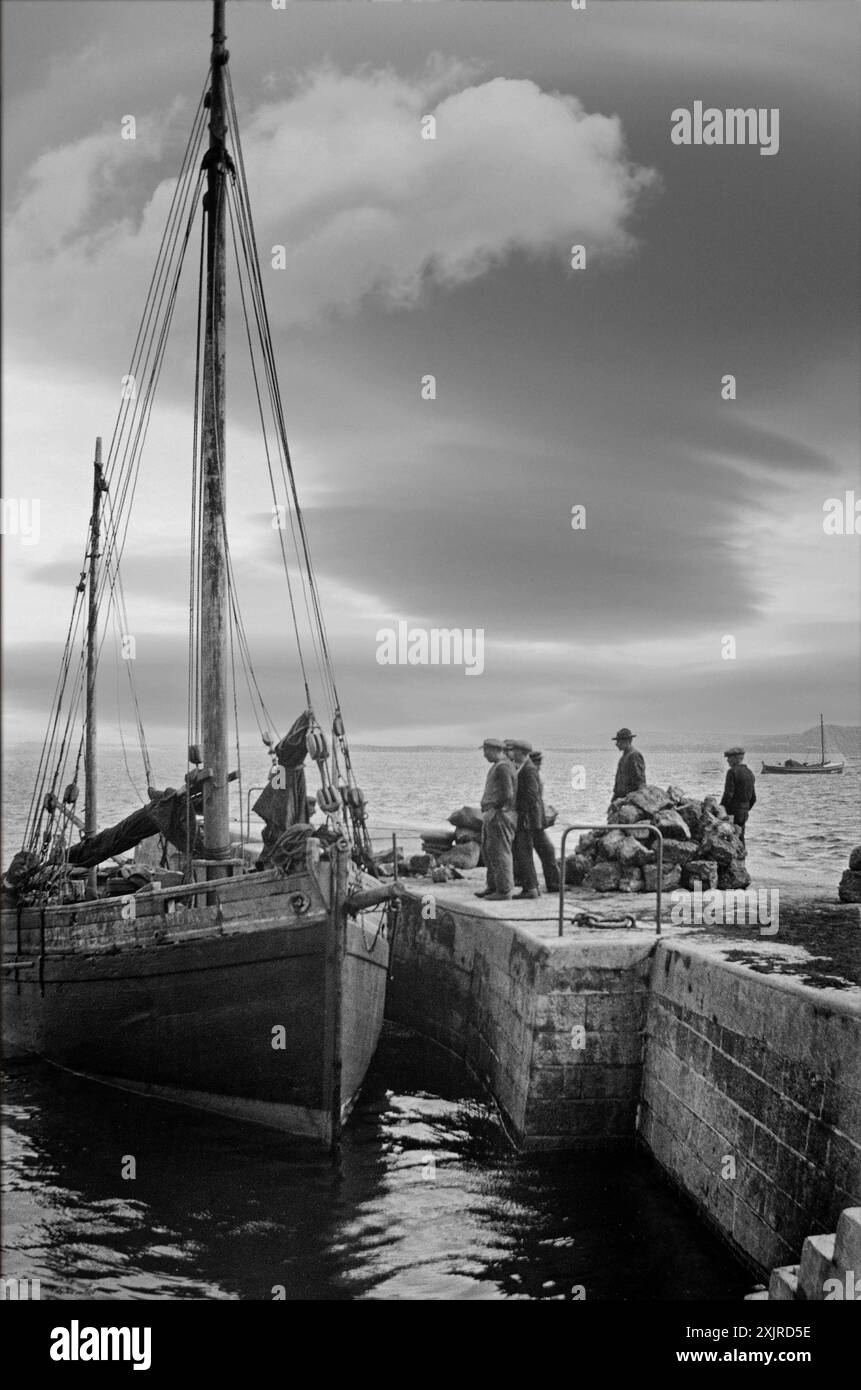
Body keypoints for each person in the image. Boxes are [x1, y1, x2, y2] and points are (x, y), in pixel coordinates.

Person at [475, 738, 518, 901]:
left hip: (501, 815)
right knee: (489, 850)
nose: (484, 755)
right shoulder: (499, 766)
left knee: (500, 852)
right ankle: (493, 886)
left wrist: (494, 807)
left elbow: (507, 794)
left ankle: (504, 890)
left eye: (485, 751)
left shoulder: (503, 767)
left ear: (493, 750)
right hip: (495, 814)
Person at [507, 739, 543, 899]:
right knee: (524, 852)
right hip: (527, 818)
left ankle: (531, 888)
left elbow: (531, 795)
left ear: (520, 752)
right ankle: (533, 886)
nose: (511, 753)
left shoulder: (528, 769)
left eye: (514, 750)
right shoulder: (525, 767)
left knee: (524, 853)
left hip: (527, 819)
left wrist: (518, 811)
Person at [526, 750, 560, 893]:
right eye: (537, 761)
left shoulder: (533, 774)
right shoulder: (531, 774)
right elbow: (533, 800)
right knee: (547, 851)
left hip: (535, 821)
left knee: (543, 852)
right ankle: (552, 884)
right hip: (534, 822)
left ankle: (549, 883)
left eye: (540, 761)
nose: (540, 763)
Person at [720, 746, 756, 844]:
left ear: (736, 758)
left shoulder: (732, 772)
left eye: (729, 758)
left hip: (733, 812)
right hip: (744, 813)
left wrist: (721, 809)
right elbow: (753, 798)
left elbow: (728, 794)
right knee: (741, 838)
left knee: (730, 840)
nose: (727, 760)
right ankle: (742, 856)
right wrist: (745, 808)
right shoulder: (750, 773)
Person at [612, 728, 646, 800]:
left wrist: (629, 800)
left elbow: (640, 783)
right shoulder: (624, 756)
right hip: (620, 797)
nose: (617, 744)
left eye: (619, 741)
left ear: (627, 741)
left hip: (629, 799)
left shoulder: (634, 755)